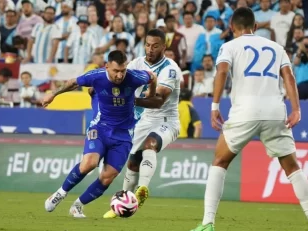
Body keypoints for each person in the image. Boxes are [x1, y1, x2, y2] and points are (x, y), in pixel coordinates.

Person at [191, 7, 308, 231]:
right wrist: (296, 109)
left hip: (245, 111)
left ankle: (207, 223)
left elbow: (222, 72)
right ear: (255, 27)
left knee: (219, 162)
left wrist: (215, 106)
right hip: (275, 112)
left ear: (232, 28)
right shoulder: (277, 47)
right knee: (292, 167)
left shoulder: (229, 46)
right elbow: (289, 77)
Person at [42, 50, 158, 218]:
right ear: (107, 67)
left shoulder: (134, 77)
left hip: (124, 135)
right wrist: (53, 94)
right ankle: (60, 193)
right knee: (89, 163)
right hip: (100, 128)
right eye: (116, 71)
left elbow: (152, 76)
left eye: (122, 71)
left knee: (107, 177)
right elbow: (73, 83)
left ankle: (78, 206)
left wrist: (151, 94)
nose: (119, 75)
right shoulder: (96, 76)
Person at [103, 29, 182, 218]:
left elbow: (158, 101)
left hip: (167, 120)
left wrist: (129, 101)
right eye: (147, 44)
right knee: (132, 162)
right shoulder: (137, 63)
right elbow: (119, 80)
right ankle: (121, 204)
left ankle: (142, 188)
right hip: (145, 120)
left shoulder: (170, 69)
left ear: (164, 46)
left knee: (150, 145)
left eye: (155, 46)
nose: (150, 49)